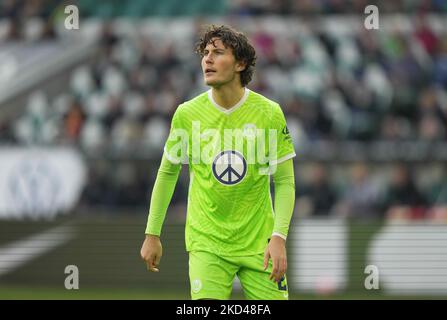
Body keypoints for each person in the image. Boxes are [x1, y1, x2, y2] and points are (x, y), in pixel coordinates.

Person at [140, 25, 296, 300]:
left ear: (240, 64)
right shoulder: (187, 114)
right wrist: (152, 233)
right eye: (205, 53)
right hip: (207, 243)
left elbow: (284, 182)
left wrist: (279, 237)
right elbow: (167, 173)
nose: (207, 60)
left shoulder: (269, 113)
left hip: (259, 245)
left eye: (218, 53)